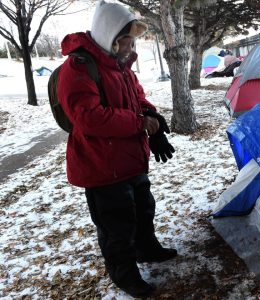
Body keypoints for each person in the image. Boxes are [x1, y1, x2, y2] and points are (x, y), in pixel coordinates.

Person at [57, 1, 176, 297]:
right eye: (126, 38)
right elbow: (90, 118)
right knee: (116, 227)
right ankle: (124, 274)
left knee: (143, 209)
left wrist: (155, 122)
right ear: (110, 35)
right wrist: (140, 123)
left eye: (132, 39)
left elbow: (139, 99)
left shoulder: (121, 66)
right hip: (102, 167)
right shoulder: (79, 67)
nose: (130, 45)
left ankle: (146, 248)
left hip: (131, 160)